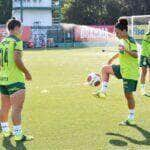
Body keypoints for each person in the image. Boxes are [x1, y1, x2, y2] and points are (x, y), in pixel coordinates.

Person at [93, 19, 139, 125]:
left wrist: (126, 50)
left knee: (128, 96)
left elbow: (136, 55)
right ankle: (103, 92)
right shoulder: (122, 40)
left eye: (117, 32)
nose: (116, 34)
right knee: (105, 69)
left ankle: (131, 117)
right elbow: (120, 52)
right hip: (122, 68)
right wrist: (112, 59)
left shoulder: (130, 40)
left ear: (123, 31)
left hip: (130, 72)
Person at [0, 18, 33, 141]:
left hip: (3, 79)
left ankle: (6, 132)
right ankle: (18, 135)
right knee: (17, 108)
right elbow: (17, 59)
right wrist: (27, 73)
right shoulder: (17, 41)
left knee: (4, 107)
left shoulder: (2, 42)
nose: (22, 30)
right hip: (15, 79)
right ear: (16, 28)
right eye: (21, 28)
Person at [140, 30, 150, 96]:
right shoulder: (147, 35)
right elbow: (144, 47)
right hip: (144, 56)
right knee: (144, 72)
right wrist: (148, 57)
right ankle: (143, 90)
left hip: (148, 56)